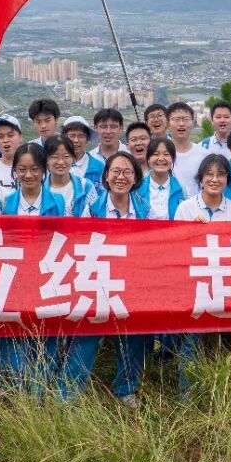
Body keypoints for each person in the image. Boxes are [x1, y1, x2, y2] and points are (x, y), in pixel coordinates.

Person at [58, 152, 151, 404]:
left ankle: (126, 388)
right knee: (86, 336)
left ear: (136, 178)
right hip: (97, 281)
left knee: (134, 336)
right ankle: (68, 393)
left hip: (132, 282)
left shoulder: (145, 209)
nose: (121, 177)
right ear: (106, 176)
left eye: (127, 172)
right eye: (116, 171)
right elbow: (80, 244)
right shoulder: (92, 208)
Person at [0, 143, 64, 393]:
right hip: (14, 282)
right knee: (14, 344)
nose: (28, 175)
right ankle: (18, 395)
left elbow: (67, 240)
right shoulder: (3, 204)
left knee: (46, 342)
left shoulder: (59, 203)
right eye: (22, 169)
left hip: (48, 280)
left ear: (44, 170)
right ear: (14, 171)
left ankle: (41, 394)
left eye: (34, 169)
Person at [172, 154, 231, 393]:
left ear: (227, 179)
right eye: (209, 174)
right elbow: (176, 248)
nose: (215, 179)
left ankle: (222, 391)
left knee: (225, 342)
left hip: (225, 286)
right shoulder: (186, 208)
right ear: (200, 178)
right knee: (191, 342)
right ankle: (187, 393)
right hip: (194, 286)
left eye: (220, 175)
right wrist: (191, 232)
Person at [42, 134, 95, 217]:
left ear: (73, 158)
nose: (61, 162)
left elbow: (95, 218)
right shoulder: (39, 188)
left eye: (66, 156)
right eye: (55, 157)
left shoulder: (86, 186)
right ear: (46, 159)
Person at [138, 137, 185, 220]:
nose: (161, 158)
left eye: (166, 154)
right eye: (156, 154)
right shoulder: (137, 189)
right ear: (148, 159)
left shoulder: (181, 188)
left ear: (173, 159)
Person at [166, 102, 205, 196]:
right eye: (176, 119)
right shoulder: (160, 155)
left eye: (186, 119)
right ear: (167, 124)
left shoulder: (204, 154)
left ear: (193, 123)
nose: (181, 124)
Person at [63, 116, 104, 189]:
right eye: (72, 136)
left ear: (87, 139)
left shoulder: (98, 166)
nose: (76, 140)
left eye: (81, 136)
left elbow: (103, 193)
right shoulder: (56, 164)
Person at [0, 114, 23, 191]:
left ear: (20, 137)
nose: (5, 140)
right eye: (0, 137)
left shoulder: (32, 167)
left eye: (10, 135)